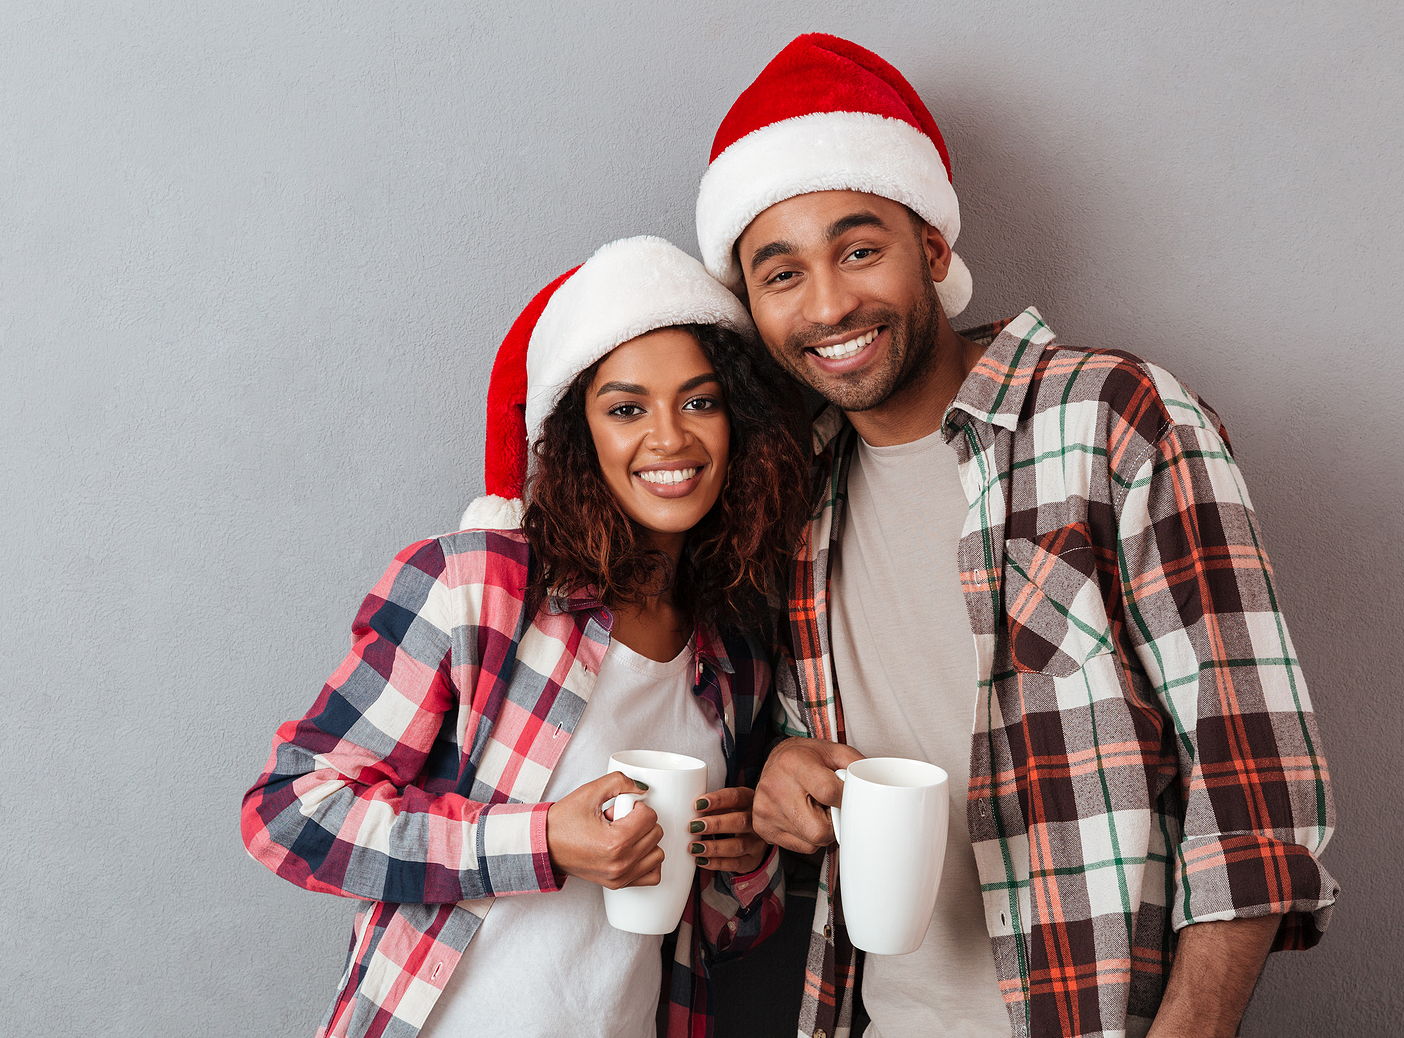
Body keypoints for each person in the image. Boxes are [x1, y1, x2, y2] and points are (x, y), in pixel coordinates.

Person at [691, 35, 1339, 1038]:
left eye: (859, 249)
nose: (827, 305)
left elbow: (1252, 772)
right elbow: (812, 750)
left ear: (934, 253)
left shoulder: (1114, 417)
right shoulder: (794, 501)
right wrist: (780, 776)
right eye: (782, 275)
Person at [240, 236, 812, 1038]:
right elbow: (291, 814)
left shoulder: (736, 653)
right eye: (625, 408)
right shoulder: (473, 586)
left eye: (699, 401)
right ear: (578, 435)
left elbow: (722, 933)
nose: (669, 439)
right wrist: (541, 841)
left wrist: (742, 857)